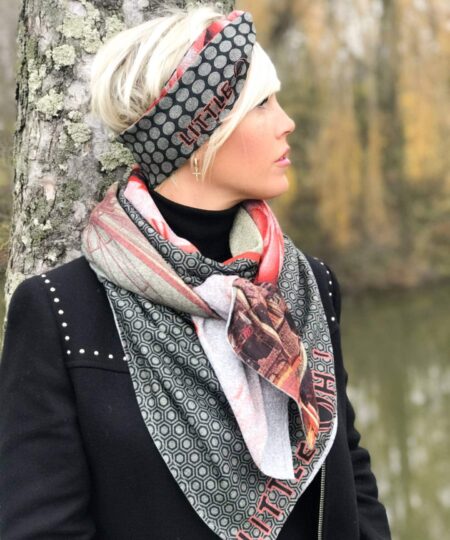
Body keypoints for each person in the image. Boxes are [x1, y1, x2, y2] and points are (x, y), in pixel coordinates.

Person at [0, 4, 392, 539]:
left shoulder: (305, 286)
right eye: (262, 104)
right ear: (199, 131)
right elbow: (41, 524)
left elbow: (347, 465)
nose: (287, 122)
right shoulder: (63, 310)